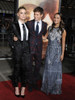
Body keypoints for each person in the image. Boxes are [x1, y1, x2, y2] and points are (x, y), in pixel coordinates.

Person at [41, 13, 66, 95]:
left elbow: (63, 43)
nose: (55, 19)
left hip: (57, 52)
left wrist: (62, 54)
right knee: (48, 70)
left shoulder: (63, 30)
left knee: (55, 70)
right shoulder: (50, 28)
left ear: (60, 19)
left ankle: (54, 88)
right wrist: (38, 34)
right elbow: (45, 37)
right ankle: (47, 87)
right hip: (49, 51)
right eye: (54, 18)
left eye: (57, 18)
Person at [8, 6, 30, 97]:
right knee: (17, 69)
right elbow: (9, 37)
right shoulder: (14, 25)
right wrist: (13, 43)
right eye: (21, 13)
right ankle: (16, 87)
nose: (23, 14)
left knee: (26, 69)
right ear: (18, 14)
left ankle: (23, 88)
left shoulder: (27, 25)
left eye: (25, 13)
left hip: (26, 50)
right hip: (17, 50)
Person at [26, 6, 47, 91]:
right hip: (30, 48)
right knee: (30, 66)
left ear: (41, 15)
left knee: (38, 66)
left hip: (39, 48)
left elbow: (44, 34)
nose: (35, 16)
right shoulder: (29, 23)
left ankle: (34, 82)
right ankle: (30, 83)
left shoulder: (45, 25)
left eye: (37, 15)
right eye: (34, 14)